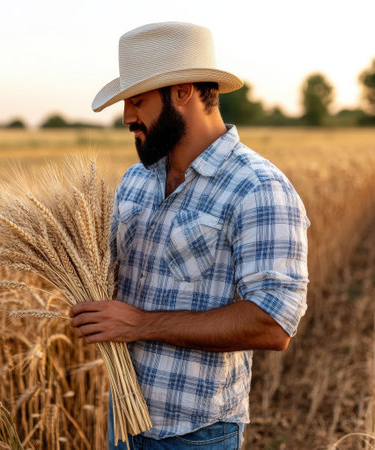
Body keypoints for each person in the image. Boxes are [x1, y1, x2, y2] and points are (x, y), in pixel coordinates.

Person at [70, 22, 310, 449]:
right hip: (123, 420)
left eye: (137, 101)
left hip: (196, 434)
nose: (127, 118)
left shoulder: (258, 188)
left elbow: (273, 324)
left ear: (183, 92)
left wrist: (140, 325)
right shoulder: (135, 181)